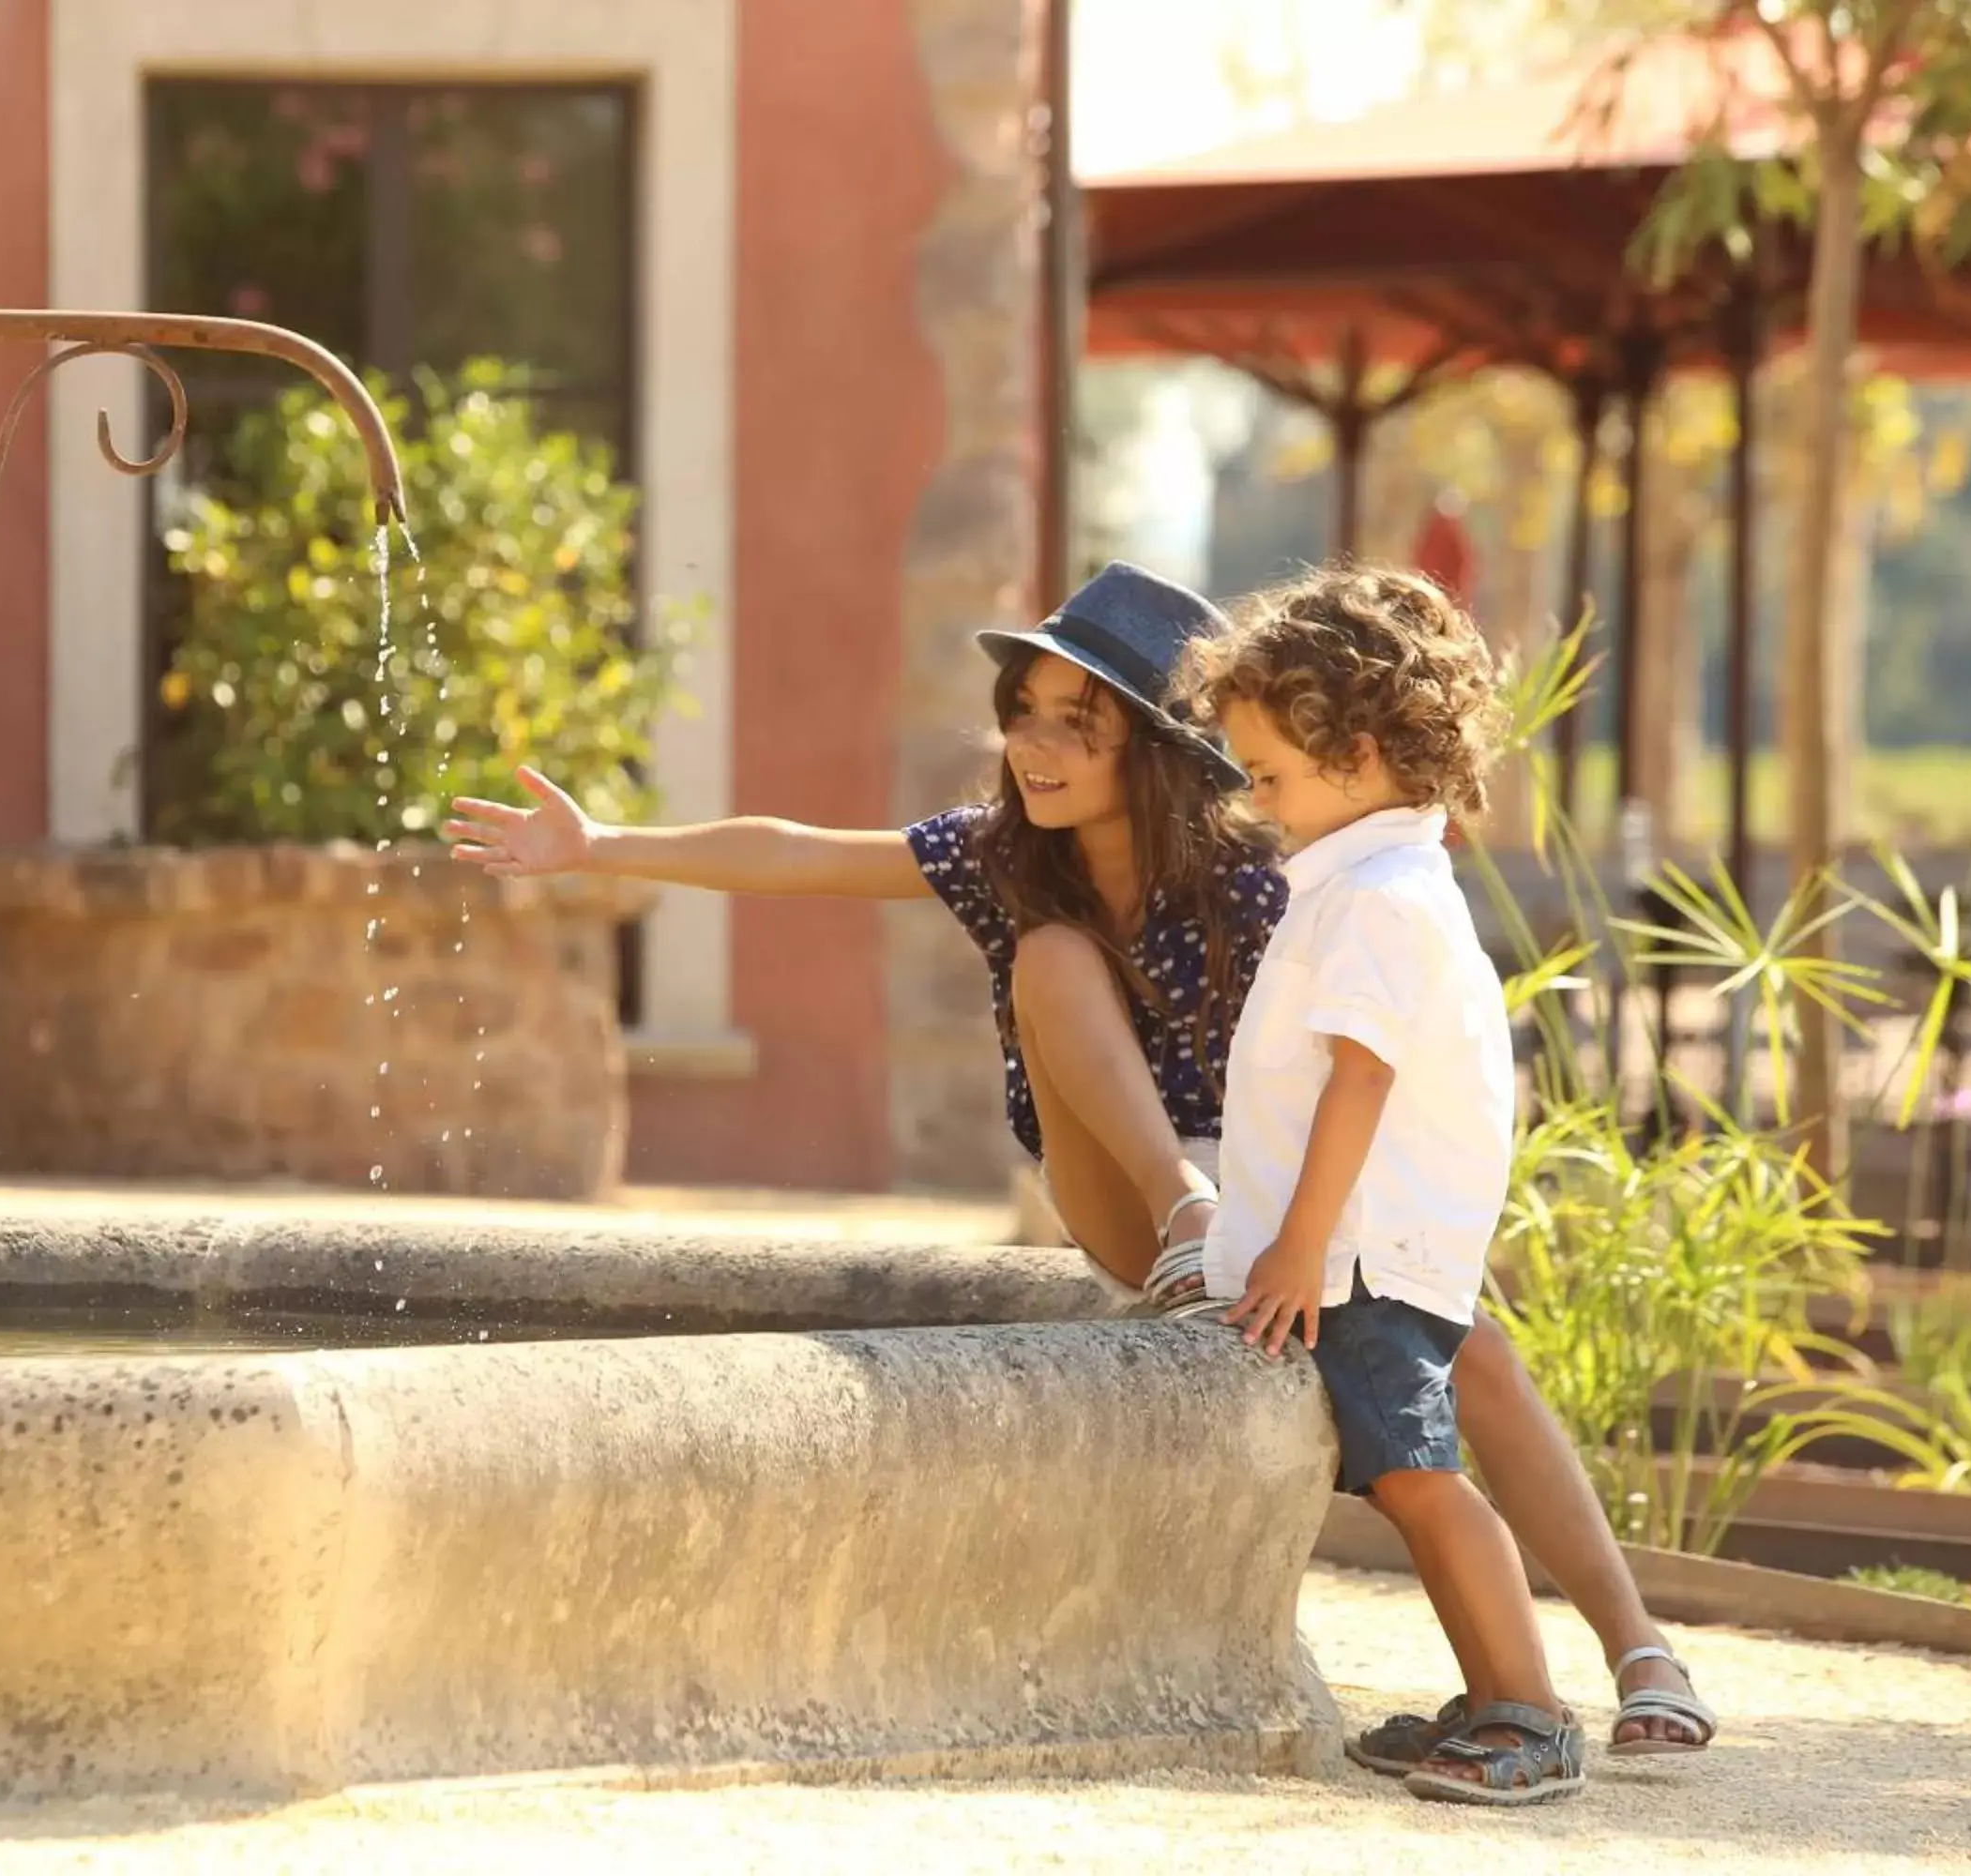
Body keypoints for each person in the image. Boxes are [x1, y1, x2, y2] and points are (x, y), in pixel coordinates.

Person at [443, 560, 1716, 1762]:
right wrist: (601, 843)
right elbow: (799, 851)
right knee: (1049, 951)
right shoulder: (1010, 859)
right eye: (1024, 715)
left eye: (1075, 724)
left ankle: (1640, 1650)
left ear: (1161, 748)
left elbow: (1369, 1065)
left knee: (1470, 1343)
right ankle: (1186, 1220)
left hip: (1289, 1187)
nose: (1033, 749)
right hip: (1148, 1188)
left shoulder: (1273, 870)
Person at [1192, 563, 1576, 1803]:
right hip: (1357, 1246)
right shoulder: (1369, 882)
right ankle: (1493, 1691)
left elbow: (1358, 1081)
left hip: (1358, 1254)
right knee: (1408, 1473)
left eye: (1269, 775)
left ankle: (1530, 1710)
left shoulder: (1378, 900)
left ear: (1357, 754)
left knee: (1417, 1475)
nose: (1255, 803)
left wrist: (1300, 1246)